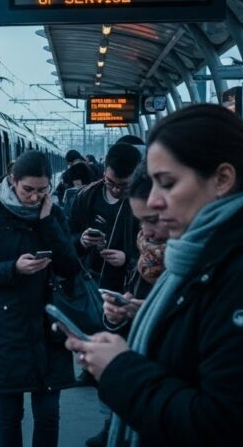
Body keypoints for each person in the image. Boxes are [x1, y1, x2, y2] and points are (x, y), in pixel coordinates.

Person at [63, 104, 243, 446]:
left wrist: (119, 368)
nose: (156, 202)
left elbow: (224, 424)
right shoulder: (204, 257)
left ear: (222, 179)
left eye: (168, 183)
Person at [0, 151, 79, 447]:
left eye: (43, 190)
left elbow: (70, 266)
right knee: (10, 412)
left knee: (48, 412)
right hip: (6, 326)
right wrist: (13, 268)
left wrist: (47, 223)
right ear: (13, 180)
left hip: (48, 323)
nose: (34, 197)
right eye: (28, 189)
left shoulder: (52, 213)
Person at [84, 162, 168, 447]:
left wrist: (121, 371)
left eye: (153, 220)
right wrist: (133, 306)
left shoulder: (198, 263)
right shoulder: (157, 252)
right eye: (141, 221)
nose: (146, 232)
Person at [68, 143, 142, 292]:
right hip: (89, 284)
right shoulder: (86, 196)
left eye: (124, 186)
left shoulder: (145, 202)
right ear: (104, 173)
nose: (115, 189)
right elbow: (66, 239)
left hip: (128, 288)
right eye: (110, 182)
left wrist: (127, 260)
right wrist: (81, 242)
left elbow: (157, 251)